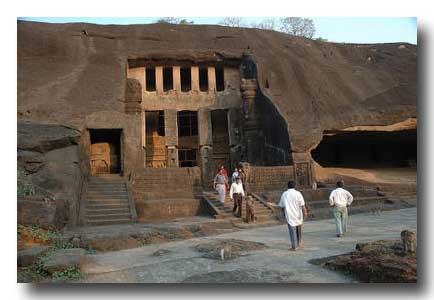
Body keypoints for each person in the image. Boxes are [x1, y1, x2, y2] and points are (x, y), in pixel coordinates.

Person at [277, 180, 307, 251]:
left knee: (292, 231)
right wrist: (305, 213)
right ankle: (299, 243)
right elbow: (302, 205)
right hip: (298, 215)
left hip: (290, 215)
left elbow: (281, 206)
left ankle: (294, 246)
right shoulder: (298, 193)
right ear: (294, 186)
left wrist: (283, 213)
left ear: (287, 186)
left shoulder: (284, 194)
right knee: (298, 229)